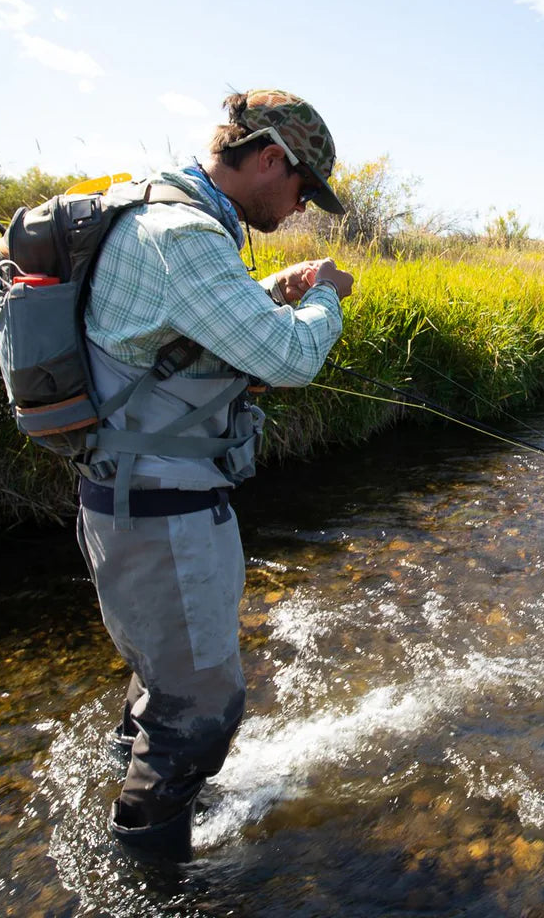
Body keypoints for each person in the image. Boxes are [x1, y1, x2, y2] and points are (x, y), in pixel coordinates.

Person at [76, 88, 353, 861]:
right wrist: (326, 298)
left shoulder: (152, 214)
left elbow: (169, 336)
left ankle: (143, 780)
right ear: (271, 159)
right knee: (203, 704)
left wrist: (268, 295)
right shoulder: (187, 235)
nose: (301, 208)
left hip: (133, 496)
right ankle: (148, 876)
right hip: (162, 510)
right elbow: (289, 358)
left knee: (166, 680)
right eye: (302, 190)